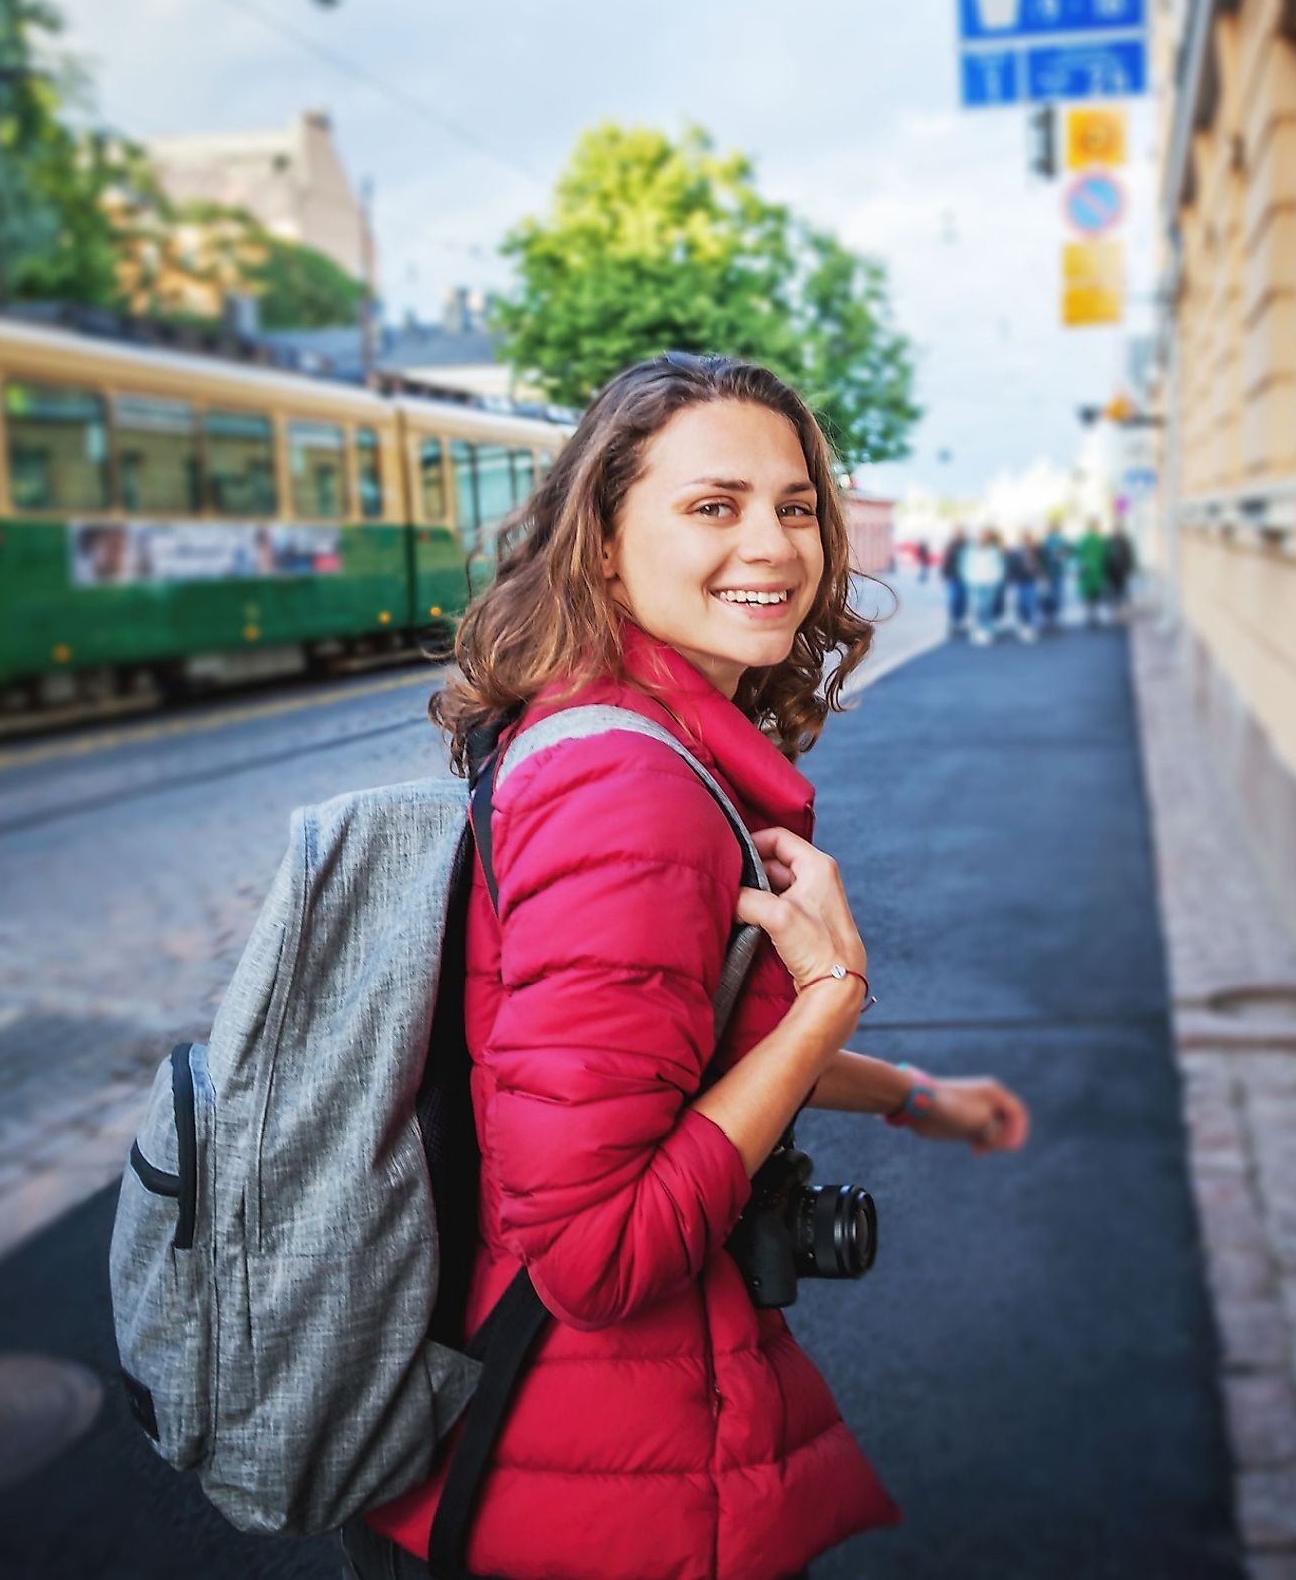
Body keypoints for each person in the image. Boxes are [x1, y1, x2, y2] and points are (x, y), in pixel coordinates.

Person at [357, 353, 1033, 1580]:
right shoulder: (627, 786)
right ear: (604, 545)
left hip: (578, 1458)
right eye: (712, 506)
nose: (773, 546)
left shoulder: (610, 728)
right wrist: (830, 997)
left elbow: (675, 1054)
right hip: (592, 1493)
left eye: (796, 506)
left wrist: (922, 1101)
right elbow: (595, 1256)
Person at [959, 528, 1006, 644]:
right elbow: (964, 567)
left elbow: (999, 567)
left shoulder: (994, 551)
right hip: (974, 583)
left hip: (989, 583)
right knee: (976, 607)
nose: (982, 539)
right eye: (981, 536)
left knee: (987, 607)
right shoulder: (969, 551)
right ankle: (976, 629)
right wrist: (968, 579)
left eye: (985, 537)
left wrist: (996, 579)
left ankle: (987, 630)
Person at [1004, 534, 1041, 645]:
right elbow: (1011, 567)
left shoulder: (1037, 551)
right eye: (1025, 541)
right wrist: (1011, 580)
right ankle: (1023, 626)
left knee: (1031, 604)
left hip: (1031, 581)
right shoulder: (1015, 553)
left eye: (1029, 541)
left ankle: (1030, 626)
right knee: (1021, 604)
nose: (1027, 543)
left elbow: (1042, 565)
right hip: (1020, 582)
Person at [1075, 522, 1111, 626]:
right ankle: (1095, 615)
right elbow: (1105, 555)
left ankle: (1088, 614)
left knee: (1087, 593)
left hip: (1085, 569)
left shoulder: (1084, 540)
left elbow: (1079, 554)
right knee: (1096, 593)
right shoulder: (1099, 540)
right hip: (1097, 570)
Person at [1039, 528, 1071, 633]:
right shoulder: (1060, 542)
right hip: (1057, 574)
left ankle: (1048, 621)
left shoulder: (1045, 543)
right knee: (1056, 597)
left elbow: (1043, 559)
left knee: (1048, 596)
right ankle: (1054, 622)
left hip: (1048, 574)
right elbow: (1062, 559)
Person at [940, 527, 969, 635]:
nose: (960, 535)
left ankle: (960, 622)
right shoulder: (951, 546)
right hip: (954, 577)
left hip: (966, 578)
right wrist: (944, 575)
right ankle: (954, 622)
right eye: (958, 533)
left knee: (963, 600)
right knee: (954, 599)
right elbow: (947, 561)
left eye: (962, 533)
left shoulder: (968, 546)